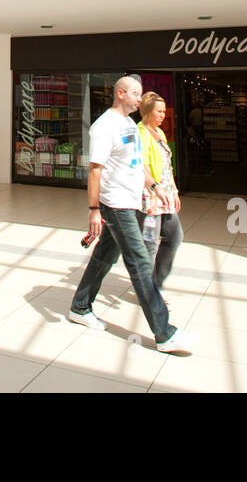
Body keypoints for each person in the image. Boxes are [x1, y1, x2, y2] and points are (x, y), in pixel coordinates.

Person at [68, 75, 197, 354]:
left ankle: (80, 306)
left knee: (105, 255)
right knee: (139, 262)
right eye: (136, 94)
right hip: (115, 205)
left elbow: (135, 164)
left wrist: (153, 186)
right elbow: (95, 170)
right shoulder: (104, 127)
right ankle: (164, 333)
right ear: (121, 93)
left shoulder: (129, 124)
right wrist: (93, 210)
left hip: (131, 201)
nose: (140, 99)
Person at [137, 91, 182, 292]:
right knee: (150, 244)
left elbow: (166, 165)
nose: (164, 115)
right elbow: (141, 164)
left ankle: (157, 281)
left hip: (165, 194)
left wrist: (174, 190)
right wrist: (155, 187)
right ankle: (148, 289)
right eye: (159, 111)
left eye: (164, 111)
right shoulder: (141, 132)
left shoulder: (159, 132)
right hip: (150, 197)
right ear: (147, 111)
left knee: (174, 236)